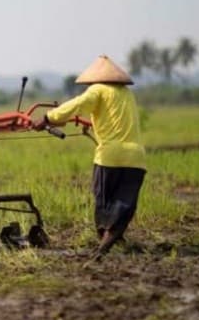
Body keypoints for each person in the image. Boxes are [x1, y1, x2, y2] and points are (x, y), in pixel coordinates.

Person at [34, 55, 146, 261]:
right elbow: (114, 123)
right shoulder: (127, 94)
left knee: (103, 200)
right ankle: (115, 239)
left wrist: (48, 118)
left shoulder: (98, 90)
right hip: (136, 158)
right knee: (124, 202)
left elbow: (77, 105)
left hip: (110, 156)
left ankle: (103, 245)